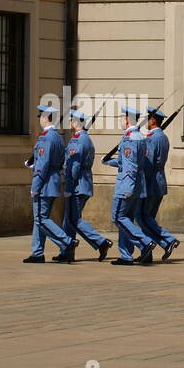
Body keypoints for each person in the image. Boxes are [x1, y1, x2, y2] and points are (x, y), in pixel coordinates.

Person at [102, 105, 154, 265]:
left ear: (126, 119)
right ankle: (126, 255)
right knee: (127, 219)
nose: (120, 121)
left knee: (117, 217)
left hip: (127, 184)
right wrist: (108, 161)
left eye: (121, 118)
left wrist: (128, 188)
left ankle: (145, 243)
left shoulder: (130, 137)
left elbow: (130, 165)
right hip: (137, 184)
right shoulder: (138, 136)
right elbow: (125, 161)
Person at [24, 105, 77, 263]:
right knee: (40, 219)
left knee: (41, 219)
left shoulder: (47, 138)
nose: (40, 119)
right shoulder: (58, 137)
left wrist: (36, 185)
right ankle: (37, 252)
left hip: (45, 183)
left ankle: (67, 242)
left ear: (45, 118)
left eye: (40, 116)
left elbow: (43, 165)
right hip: (53, 181)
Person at [61, 109, 112, 260]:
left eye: (71, 120)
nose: (69, 123)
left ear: (76, 123)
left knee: (73, 219)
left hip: (77, 185)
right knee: (69, 219)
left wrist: (69, 186)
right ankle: (67, 251)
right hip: (82, 183)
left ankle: (101, 242)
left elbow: (74, 166)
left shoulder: (79, 141)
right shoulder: (82, 139)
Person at [138, 106, 180, 259]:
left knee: (142, 217)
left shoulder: (152, 138)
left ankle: (168, 240)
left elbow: (148, 163)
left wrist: (141, 183)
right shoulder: (163, 137)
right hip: (159, 181)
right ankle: (147, 252)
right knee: (148, 219)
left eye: (147, 119)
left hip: (150, 183)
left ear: (153, 120)